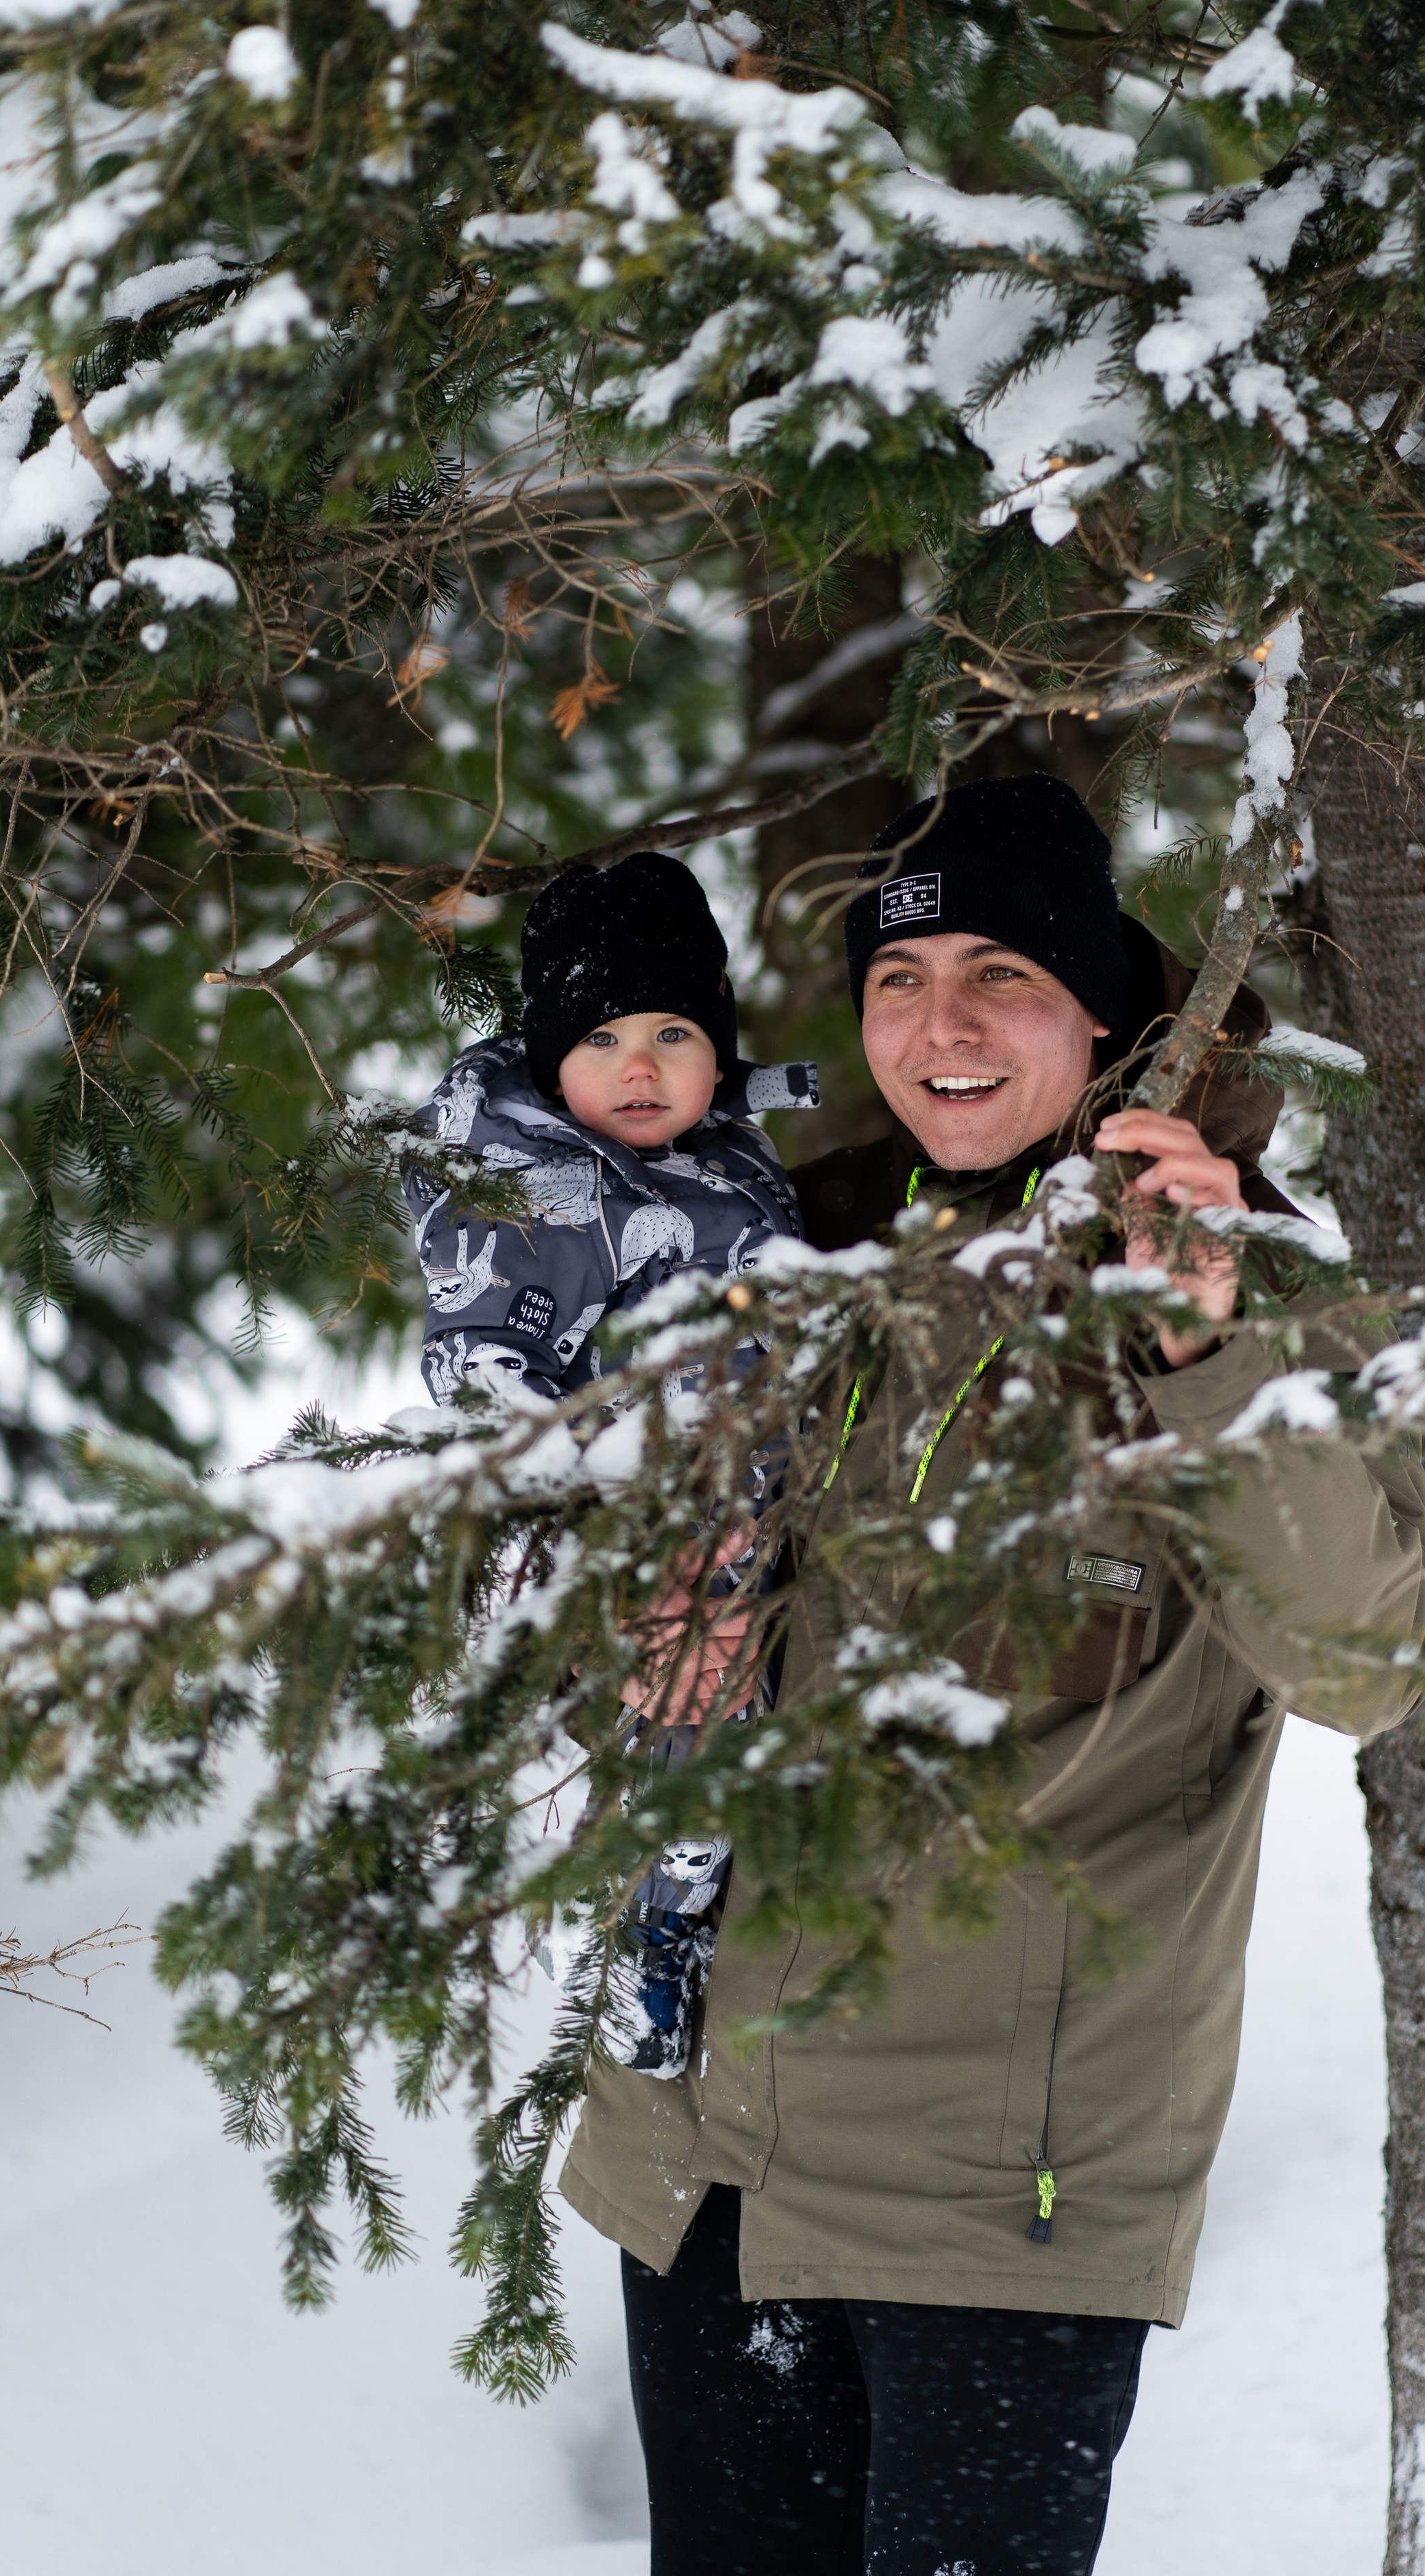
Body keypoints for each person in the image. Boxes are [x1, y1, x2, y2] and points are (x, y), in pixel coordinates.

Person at [559, 774, 1425, 2576]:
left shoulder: (1240, 1286)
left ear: (1108, 1020)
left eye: (1001, 979)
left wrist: (1201, 1345)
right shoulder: (790, 1253)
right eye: (901, 980)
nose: (940, 1025)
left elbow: (1370, 1664)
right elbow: (639, 1689)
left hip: (1003, 2205)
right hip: (708, 2162)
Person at [405, 850, 819, 2073]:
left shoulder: (714, 1150)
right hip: (646, 1534)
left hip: (746, 1507)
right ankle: (658, 1948)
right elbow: (488, 1374)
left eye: (675, 1031)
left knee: (747, 1713)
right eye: (601, 1040)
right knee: (688, 1718)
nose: (640, 1067)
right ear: (546, 1059)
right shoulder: (544, 1188)